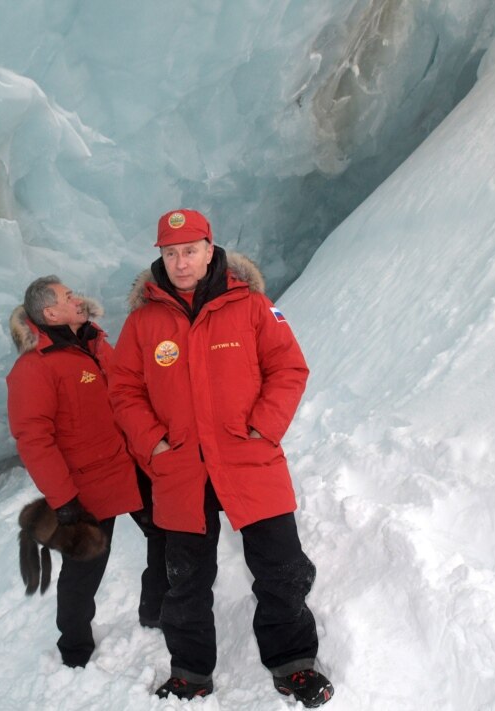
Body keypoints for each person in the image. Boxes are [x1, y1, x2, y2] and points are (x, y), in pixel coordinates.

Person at [108, 209, 333, 707]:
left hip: (249, 459)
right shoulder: (144, 322)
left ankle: (293, 662)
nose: (181, 262)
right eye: (170, 253)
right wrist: (153, 442)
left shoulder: (251, 307)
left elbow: (289, 368)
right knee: (185, 583)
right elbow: (122, 388)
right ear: (159, 259)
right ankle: (190, 672)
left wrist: (264, 427)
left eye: (189, 250)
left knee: (281, 568)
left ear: (210, 249)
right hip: (181, 469)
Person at [6, 276, 168, 668]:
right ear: (50, 313)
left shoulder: (95, 343)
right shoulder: (34, 368)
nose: (78, 299)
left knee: (166, 536)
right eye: (67, 297)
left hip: (132, 466)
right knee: (84, 568)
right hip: (88, 486)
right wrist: (63, 500)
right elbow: (34, 440)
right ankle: (75, 650)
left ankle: (156, 610)